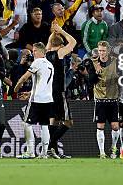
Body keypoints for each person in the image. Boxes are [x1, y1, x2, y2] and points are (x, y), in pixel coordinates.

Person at [14, 42, 54, 159]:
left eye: (35, 51)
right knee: (44, 125)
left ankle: (30, 151)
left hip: (36, 100)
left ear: (41, 51)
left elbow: (25, 77)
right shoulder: (50, 64)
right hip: (47, 99)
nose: (33, 53)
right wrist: (30, 92)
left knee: (26, 123)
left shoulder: (37, 62)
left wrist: (16, 87)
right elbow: (43, 84)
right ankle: (44, 153)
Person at [46, 22, 77, 159]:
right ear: (61, 45)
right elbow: (74, 42)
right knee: (68, 122)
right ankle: (49, 146)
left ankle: (53, 151)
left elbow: (49, 42)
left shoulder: (47, 53)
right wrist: (62, 31)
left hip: (49, 92)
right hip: (59, 92)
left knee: (54, 121)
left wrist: (54, 31)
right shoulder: (59, 53)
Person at [89, 41, 120, 159]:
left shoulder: (116, 61)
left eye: (103, 50)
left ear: (108, 50)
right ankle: (102, 152)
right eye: (100, 50)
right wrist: (95, 74)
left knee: (115, 126)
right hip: (100, 99)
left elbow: (121, 77)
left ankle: (113, 148)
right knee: (100, 126)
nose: (101, 53)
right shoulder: (93, 63)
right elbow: (90, 81)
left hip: (113, 99)